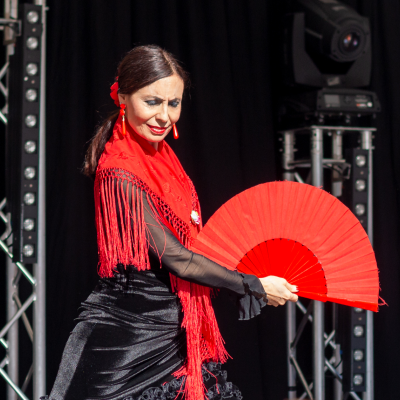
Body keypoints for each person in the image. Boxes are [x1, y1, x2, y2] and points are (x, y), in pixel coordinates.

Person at [43, 45, 298, 400]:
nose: (164, 116)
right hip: (125, 342)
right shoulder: (119, 171)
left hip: (174, 334)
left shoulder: (163, 159)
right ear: (123, 98)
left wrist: (246, 278)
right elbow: (176, 257)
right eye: (152, 102)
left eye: (173, 103)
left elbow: (192, 246)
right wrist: (249, 285)